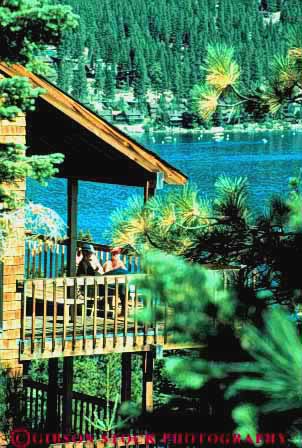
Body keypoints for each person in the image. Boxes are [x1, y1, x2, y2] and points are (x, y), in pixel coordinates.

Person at [103, 247, 128, 316]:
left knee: (123, 286)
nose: (116, 255)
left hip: (117, 284)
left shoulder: (120, 262)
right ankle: (124, 310)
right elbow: (105, 276)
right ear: (112, 254)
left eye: (117, 253)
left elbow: (126, 272)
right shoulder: (108, 263)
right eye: (114, 253)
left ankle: (124, 310)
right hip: (107, 286)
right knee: (122, 287)